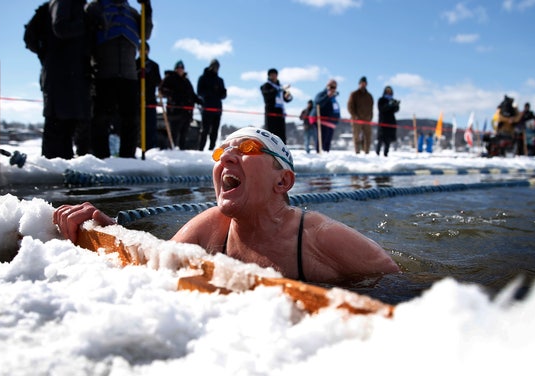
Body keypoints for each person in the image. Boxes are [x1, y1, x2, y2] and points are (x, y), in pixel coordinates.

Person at [52, 127, 400, 284]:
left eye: (247, 148)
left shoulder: (321, 237)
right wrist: (108, 228)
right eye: (221, 152)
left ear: (283, 182)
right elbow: (155, 260)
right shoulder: (212, 226)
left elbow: (401, 287)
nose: (227, 155)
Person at [24, 0, 93, 160]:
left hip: (71, 74)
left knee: (68, 125)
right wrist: (86, 24)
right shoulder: (63, 3)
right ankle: (54, 168)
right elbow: (60, 28)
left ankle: (64, 166)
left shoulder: (78, 7)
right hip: (60, 74)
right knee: (57, 125)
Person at [85, 0, 153, 159]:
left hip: (129, 75)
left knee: (131, 119)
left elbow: (146, 33)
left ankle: (128, 157)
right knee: (101, 118)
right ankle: (101, 157)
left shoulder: (132, 12)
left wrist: (147, 8)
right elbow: (87, 37)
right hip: (103, 73)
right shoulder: (96, 7)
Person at [159, 60, 202, 150]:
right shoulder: (170, 78)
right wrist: (173, 95)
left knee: (184, 133)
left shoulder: (186, 81)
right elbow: (161, 90)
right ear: (175, 69)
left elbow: (192, 94)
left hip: (186, 112)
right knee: (174, 132)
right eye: (178, 68)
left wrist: (200, 101)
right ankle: (171, 149)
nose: (180, 70)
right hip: (175, 111)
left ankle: (182, 151)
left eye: (181, 68)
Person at [196, 59, 227, 151]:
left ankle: (211, 149)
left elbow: (223, 95)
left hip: (217, 109)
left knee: (214, 131)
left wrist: (222, 93)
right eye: (215, 67)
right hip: (207, 107)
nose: (216, 69)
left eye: (218, 67)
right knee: (204, 130)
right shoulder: (203, 78)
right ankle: (200, 149)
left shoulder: (220, 80)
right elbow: (199, 92)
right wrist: (212, 92)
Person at [135, 42, 161, 151]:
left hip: (150, 100)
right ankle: (137, 147)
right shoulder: (134, 63)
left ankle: (150, 149)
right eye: (140, 49)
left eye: (144, 49)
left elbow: (158, 81)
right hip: (137, 100)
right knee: (136, 126)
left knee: (150, 127)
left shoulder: (153, 66)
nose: (142, 51)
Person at [261, 68, 293, 144]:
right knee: (271, 133)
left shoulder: (280, 87)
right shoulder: (266, 86)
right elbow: (267, 95)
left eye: (275, 74)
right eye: (272, 75)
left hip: (280, 112)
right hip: (270, 112)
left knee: (281, 134)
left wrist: (287, 96)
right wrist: (279, 90)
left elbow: (287, 99)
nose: (274, 76)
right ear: (269, 76)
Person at [309, 79, 341, 152]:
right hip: (321, 120)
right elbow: (317, 104)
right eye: (331, 86)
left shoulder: (334, 98)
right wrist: (327, 96)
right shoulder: (321, 94)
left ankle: (326, 154)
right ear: (327, 86)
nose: (333, 89)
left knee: (327, 142)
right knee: (321, 139)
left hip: (331, 122)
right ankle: (319, 154)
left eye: (334, 87)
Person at [348, 76, 374, 155]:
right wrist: (354, 115)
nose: (363, 85)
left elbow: (371, 107)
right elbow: (350, 106)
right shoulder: (354, 94)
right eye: (362, 83)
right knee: (356, 136)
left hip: (367, 119)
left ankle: (366, 152)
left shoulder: (369, 96)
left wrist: (370, 117)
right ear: (359, 84)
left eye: (365, 83)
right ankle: (357, 152)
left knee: (367, 136)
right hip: (357, 119)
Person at [375, 86, 400, 157]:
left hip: (391, 122)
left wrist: (396, 105)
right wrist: (389, 105)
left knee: (388, 140)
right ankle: (377, 153)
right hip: (383, 122)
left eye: (390, 91)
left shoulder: (392, 100)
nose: (389, 92)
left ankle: (386, 154)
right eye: (387, 91)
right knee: (381, 138)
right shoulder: (381, 100)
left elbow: (395, 110)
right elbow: (381, 109)